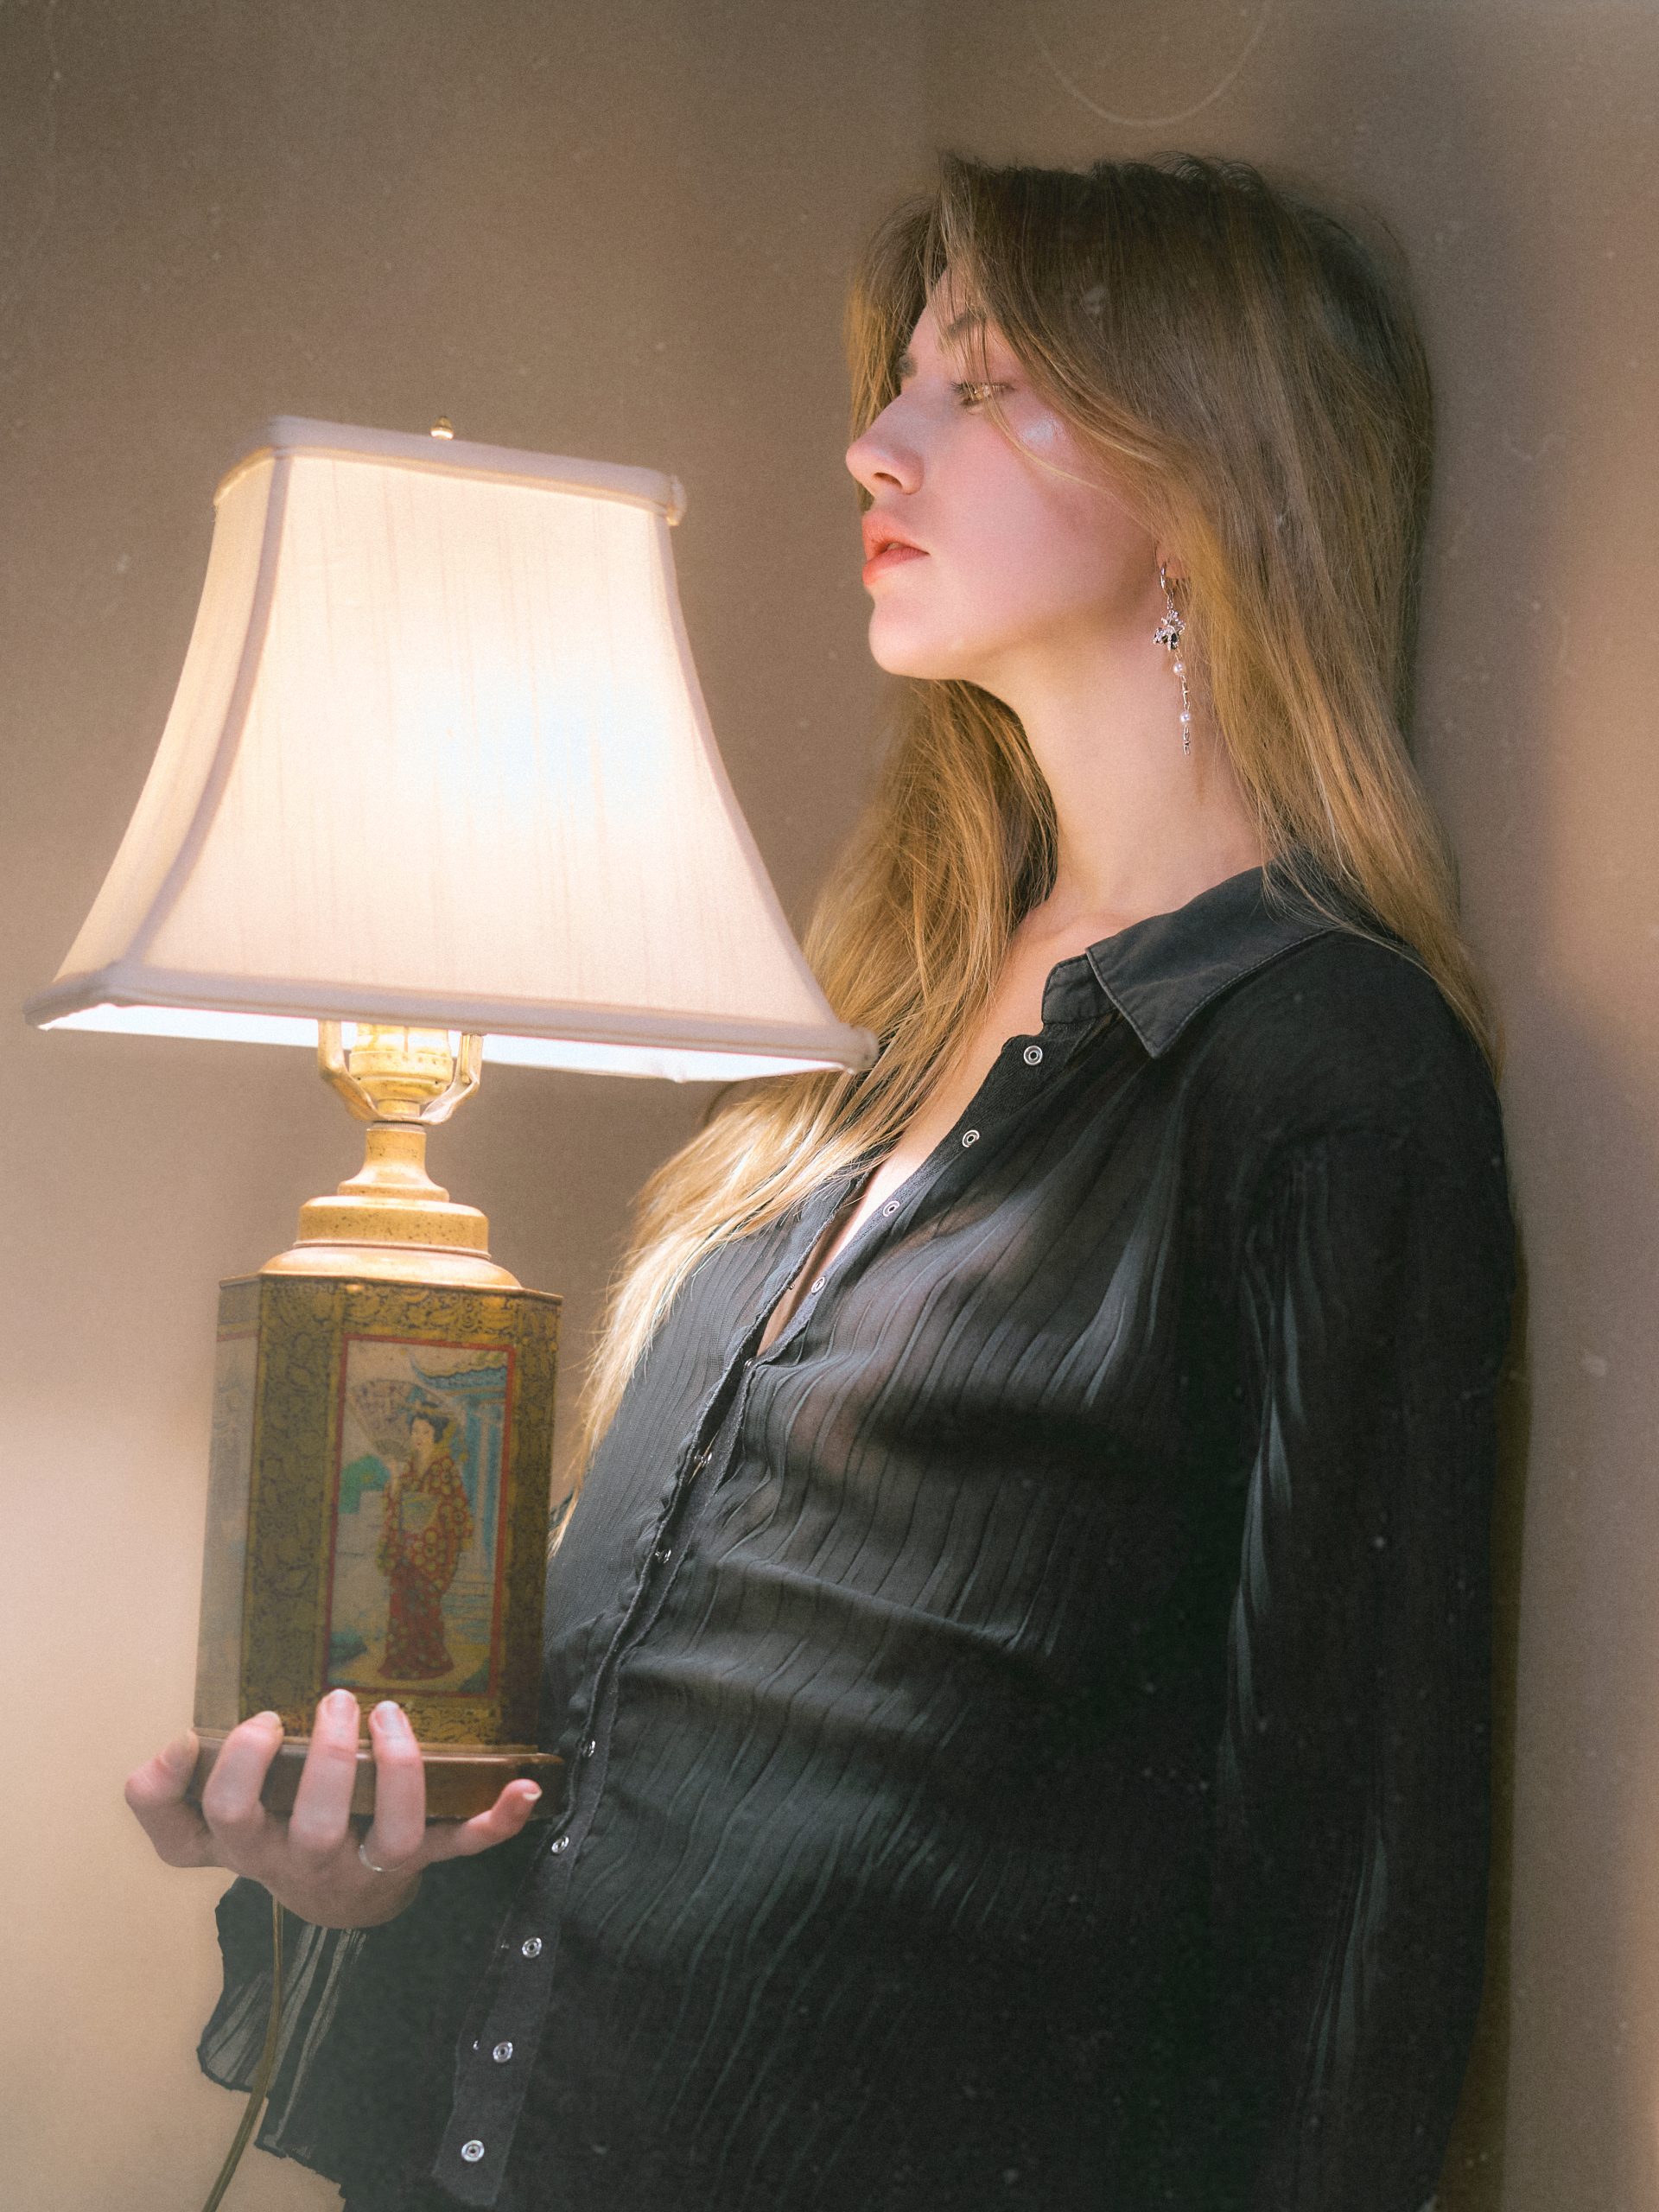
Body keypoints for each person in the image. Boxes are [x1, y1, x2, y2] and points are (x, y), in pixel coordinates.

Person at [125, 152, 1517, 2211]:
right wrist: (350, 1863)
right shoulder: (865, 1025)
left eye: (986, 383)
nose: (877, 441)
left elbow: (1352, 1902)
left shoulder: (1321, 1071)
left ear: (1209, 471)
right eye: (902, 380)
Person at [375, 1406, 474, 1681]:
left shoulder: (445, 1466)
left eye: (425, 1432)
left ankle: (431, 1661)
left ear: (436, 1435)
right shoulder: (408, 1466)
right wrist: (395, 1476)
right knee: (401, 1605)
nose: (418, 1437)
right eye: (414, 1431)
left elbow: (455, 1506)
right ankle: (401, 1662)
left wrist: (432, 1513)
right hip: (405, 1547)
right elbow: (392, 1504)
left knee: (426, 1606)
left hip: (433, 1548)